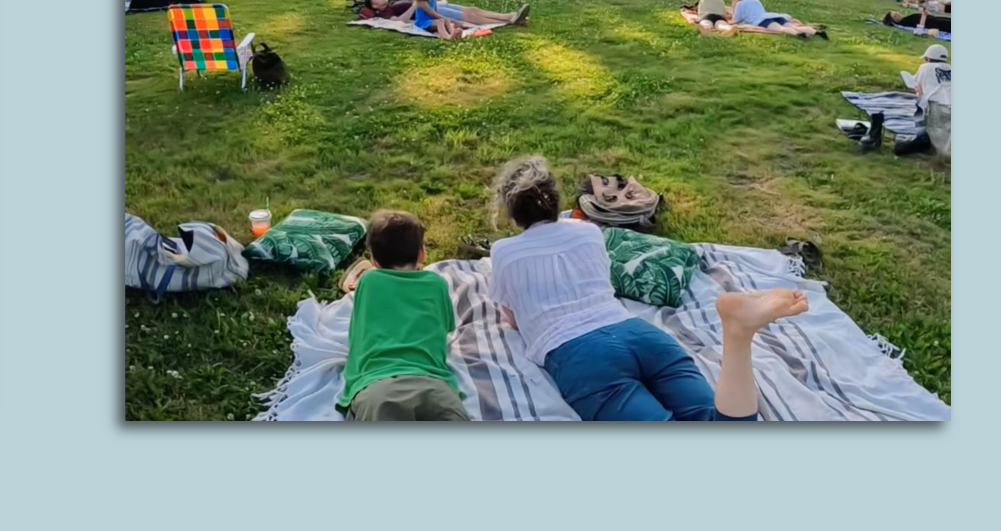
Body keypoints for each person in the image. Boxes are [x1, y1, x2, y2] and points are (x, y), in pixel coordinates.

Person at [489, 156, 808, 421]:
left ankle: (738, 333)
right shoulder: (589, 232)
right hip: (639, 334)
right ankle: (738, 337)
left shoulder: (504, 252)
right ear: (555, 200)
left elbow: (514, 319)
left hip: (580, 354)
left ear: (512, 212)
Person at [336, 210, 467, 421]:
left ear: (373, 261)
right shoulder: (437, 284)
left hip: (378, 386)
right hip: (435, 387)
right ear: (422, 254)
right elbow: (447, 328)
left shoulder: (368, 282)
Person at [731, 0, 824, 37]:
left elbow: (736, 20)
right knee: (794, 26)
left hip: (762, 21)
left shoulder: (740, 4)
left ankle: (797, 34)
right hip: (770, 16)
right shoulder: (755, 0)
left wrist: (733, 7)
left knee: (781, 29)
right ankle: (815, 32)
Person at [884, 1, 950, 34]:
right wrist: (924, 15)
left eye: (896, 12)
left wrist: (925, 12)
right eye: (895, 16)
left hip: (934, 19)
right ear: (894, 21)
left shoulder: (906, 18)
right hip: (933, 24)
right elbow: (919, 29)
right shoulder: (904, 22)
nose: (898, 14)